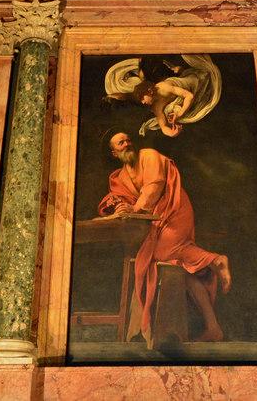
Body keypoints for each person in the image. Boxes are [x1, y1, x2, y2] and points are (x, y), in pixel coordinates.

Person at [98, 132, 231, 343]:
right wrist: (119, 206)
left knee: (161, 253)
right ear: (114, 152)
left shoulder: (148, 156)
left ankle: (216, 260)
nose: (127, 144)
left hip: (175, 209)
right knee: (182, 269)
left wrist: (134, 208)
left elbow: (154, 187)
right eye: (121, 143)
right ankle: (213, 327)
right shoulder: (120, 177)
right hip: (157, 220)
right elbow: (118, 198)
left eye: (128, 140)